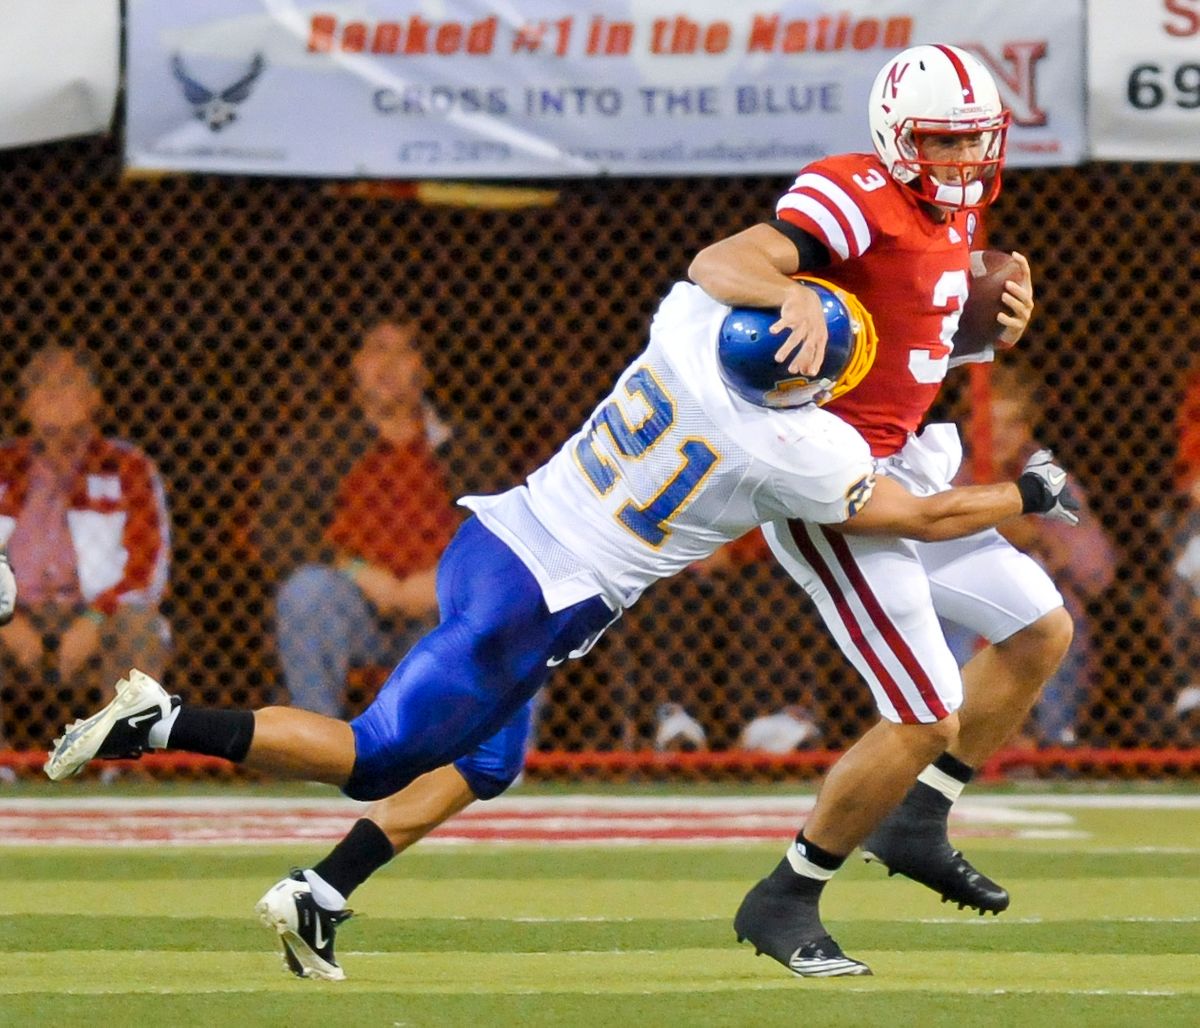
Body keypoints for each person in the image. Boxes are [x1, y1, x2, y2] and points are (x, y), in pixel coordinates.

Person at [43, 275, 1076, 981]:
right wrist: (1023, 487)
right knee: (371, 755)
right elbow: (922, 511)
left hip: (496, 538)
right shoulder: (785, 445)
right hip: (534, 604)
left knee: (491, 761)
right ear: (798, 381)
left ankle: (322, 888)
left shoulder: (688, 323)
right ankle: (164, 719)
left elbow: (737, 268)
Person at [685, 42, 1077, 977]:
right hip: (834, 482)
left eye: (974, 143)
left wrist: (979, 331)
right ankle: (787, 894)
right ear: (898, 137)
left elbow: (907, 334)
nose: (961, 162)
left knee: (1039, 631)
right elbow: (720, 260)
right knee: (927, 711)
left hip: (911, 456)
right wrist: (789, 292)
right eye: (941, 142)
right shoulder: (853, 190)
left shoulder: (960, 202)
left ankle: (918, 816)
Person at [274, 322, 460, 717]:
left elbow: (505, 533)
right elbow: (278, 526)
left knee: (513, 607)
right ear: (356, 366)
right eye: (377, 350)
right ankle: (320, 754)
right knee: (306, 593)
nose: (388, 365)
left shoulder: (461, 448)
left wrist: (445, 577)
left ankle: (488, 771)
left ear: (422, 370)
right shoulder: (320, 443)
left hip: (439, 605)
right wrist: (357, 571)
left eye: (403, 352)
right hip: (354, 603)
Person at [0, 345, 170, 752]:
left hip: (97, 612)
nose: (55, 394)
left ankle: (123, 762)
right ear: (24, 405)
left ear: (95, 399)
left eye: (68, 382)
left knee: (141, 626)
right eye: (42, 385)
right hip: (14, 613)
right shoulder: (5, 466)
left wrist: (96, 616)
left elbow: (148, 566)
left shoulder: (126, 466)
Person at [941, 363, 1115, 747]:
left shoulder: (1047, 475)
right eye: (984, 420)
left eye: (1011, 422)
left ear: (1027, 428)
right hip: (957, 612)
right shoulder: (946, 471)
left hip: (1037, 614)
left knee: (1052, 614)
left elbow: (1098, 573)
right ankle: (951, 734)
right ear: (967, 424)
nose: (997, 434)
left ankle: (1044, 741)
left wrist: (1039, 537)